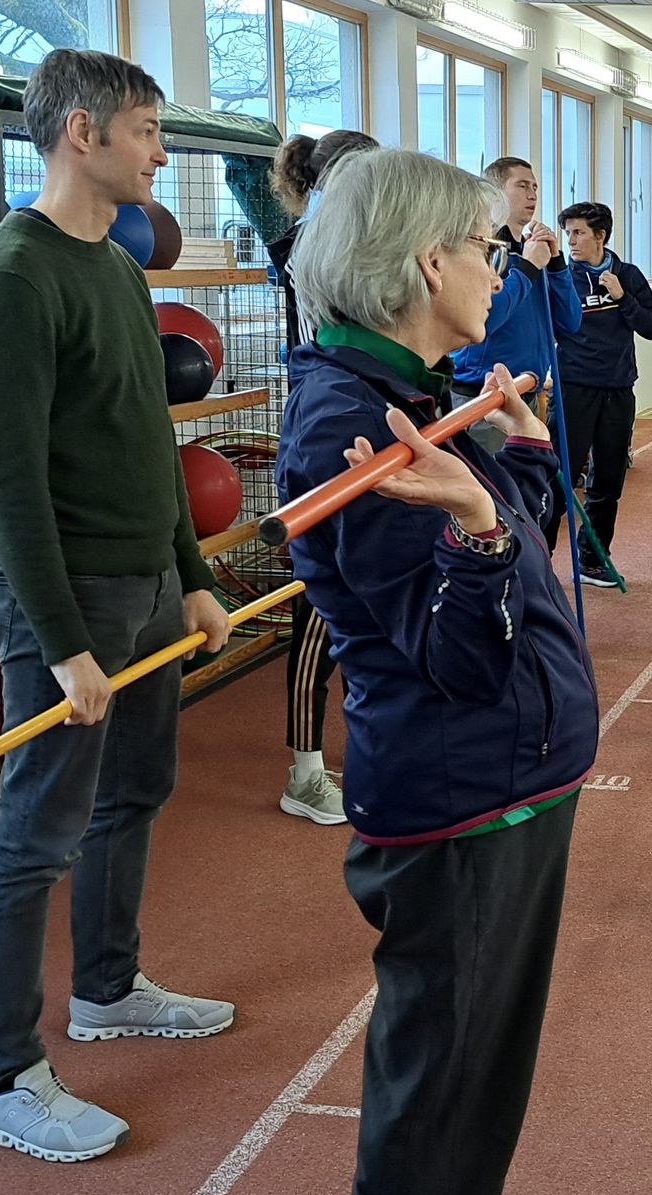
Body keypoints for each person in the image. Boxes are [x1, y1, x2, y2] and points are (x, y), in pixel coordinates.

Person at [280, 148, 599, 1195]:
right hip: (456, 803)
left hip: (509, 781)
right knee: (436, 1107)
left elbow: (529, 558)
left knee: (479, 1098)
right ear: (425, 263)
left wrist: (512, 462)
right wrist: (473, 527)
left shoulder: (417, 394)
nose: (498, 265)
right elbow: (456, 653)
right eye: (485, 246)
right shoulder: (348, 429)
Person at [0, 49, 236, 1163]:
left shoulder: (116, 266)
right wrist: (63, 642)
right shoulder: (12, 278)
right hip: (66, 602)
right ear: (83, 132)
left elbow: (148, 439)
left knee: (136, 792)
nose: (160, 152)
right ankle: (2, 1080)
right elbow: (6, 484)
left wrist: (194, 577)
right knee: (36, 836)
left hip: (149, 584)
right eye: (148, 130)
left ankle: (107, 989)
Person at [267, 126, 380, 825]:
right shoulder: (310, 247)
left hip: (368, 424)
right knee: (320, 606)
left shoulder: (356, 240)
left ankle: (376, 739)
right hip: (322, 435)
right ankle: (305, 772)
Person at [554, 200, 652, 585]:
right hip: (573, 390)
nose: (571, 241)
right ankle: (539, 564)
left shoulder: (627, 275)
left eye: (579, 233)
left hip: (618, 390)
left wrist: (622, 297)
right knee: (558, 477)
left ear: (600, 236)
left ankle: (592, 560)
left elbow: (651, 327)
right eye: (568, 233)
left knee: (608, 482)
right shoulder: (562, 278)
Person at [451, 157, 581, 461]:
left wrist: (557, 265)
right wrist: (527, 268)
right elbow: (482, 320)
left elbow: (570, 322)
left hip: (526, 393)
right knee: (491, 487)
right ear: (496, 193)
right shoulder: (479, 250)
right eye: (522, 186)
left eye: (534, 187)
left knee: (525, 484)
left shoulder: (530, 252)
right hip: (485, 399)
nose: (532, 194)